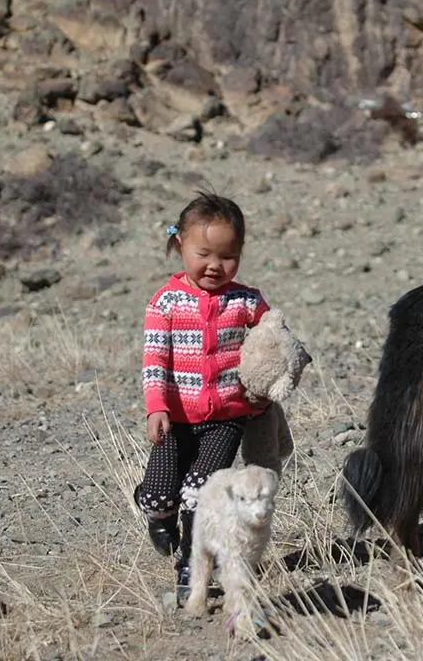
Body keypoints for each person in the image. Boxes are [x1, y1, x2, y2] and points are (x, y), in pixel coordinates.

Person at [133, 191, 271, 596]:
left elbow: (271, 339)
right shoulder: (166, 303)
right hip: (175, 419)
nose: (215, 265)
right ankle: (157, 513)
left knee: (199, 492)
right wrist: (155, 407)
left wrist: (265, 385)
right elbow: (154, 359)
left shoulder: (246, 301)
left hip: (226, 418)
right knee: (161, 495)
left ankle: (192, 566)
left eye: (227, 256)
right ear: (181, 246)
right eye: (204, 253)